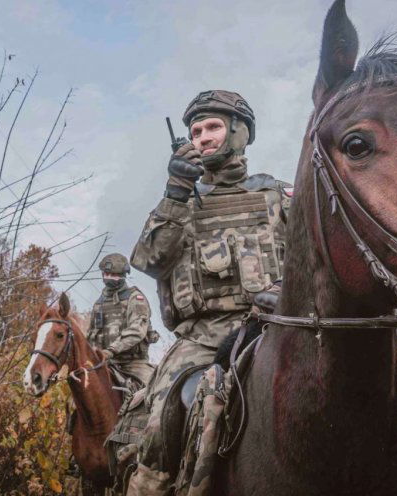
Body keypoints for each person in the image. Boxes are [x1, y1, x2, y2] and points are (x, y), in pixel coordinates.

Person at [126, 90, 291, 493]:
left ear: (240, 132)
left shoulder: (279, 195)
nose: (202, 137)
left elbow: (317, 257)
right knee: (159, 418)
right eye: (196, 131)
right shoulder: (178, 202)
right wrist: (176, 190)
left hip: (278, 325)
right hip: (202, 338)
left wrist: (287, 289)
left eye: (213, 126)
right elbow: (148, 259)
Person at [86, 253, 157, 389]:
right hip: (104, 363)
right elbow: (91, 336)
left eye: (114, 275)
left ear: (123, 276)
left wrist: (111, 350)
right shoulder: (99, 304)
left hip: (134, 364)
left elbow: (137, 331)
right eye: (106, 274)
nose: (109, 278)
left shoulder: (135, 299)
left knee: (154, 392)